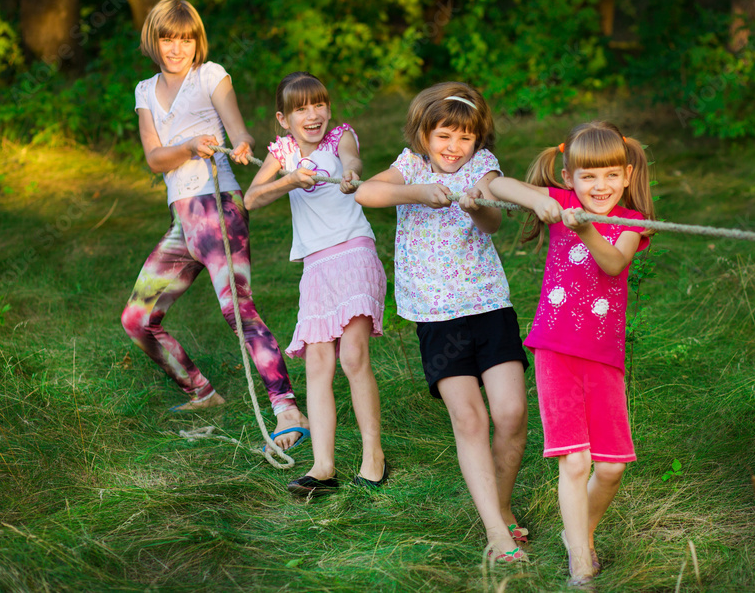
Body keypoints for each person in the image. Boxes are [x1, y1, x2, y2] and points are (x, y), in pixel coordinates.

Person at [121, 0, 310, 453]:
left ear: (196, 41)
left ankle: (287, 407)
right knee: (137, 318)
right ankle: (201, 391)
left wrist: (241, 146)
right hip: (183, 219)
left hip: (217, 208)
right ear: (155, 40)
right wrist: (188, 145)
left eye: (186, 39)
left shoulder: (211, 75)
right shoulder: (144, 91)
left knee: (236, 309)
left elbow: (240, 133)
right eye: (168, 38)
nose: (177, 48)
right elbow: (153, 158)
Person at [354, 82, 529, 563]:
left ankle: (503, 504)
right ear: (424, 135)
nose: (454, 148)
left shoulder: (481, 167)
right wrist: (418, 192)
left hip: (490, 305)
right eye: (444, 137)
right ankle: (496, 531)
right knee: (469, 418)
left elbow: (494, 221)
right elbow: (367, 193)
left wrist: (477, 207)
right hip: (436, 315)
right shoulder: (410, 165)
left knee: (511, 414)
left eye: (464, 138)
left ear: (478, 140)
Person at [487, 121, 654, 586]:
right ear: (569, 177)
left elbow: (614, 262)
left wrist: (586, 231)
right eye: (587, 177)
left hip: (603, 356)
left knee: (612, 467)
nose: (599, 187)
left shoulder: (631, 220)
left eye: (609, 176)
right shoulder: (561, 202)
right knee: (575, 461)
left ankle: (576, 532)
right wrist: (542, 201)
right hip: (555, 348)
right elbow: (494, 183)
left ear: (625, 175)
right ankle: (581, 558)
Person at [244, 72, 387, 495]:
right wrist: (288, 179)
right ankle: (323, 465)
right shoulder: (283, 152)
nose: (313, 114)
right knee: (318, 365)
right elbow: (251, 198)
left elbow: (352, 160)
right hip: (317, 267)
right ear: (283, 119)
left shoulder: (340, 137)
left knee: (354, 358)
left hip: (354, 252)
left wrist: (349, 173)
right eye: (301, 108)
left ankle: (373, 455)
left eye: (319, 104)